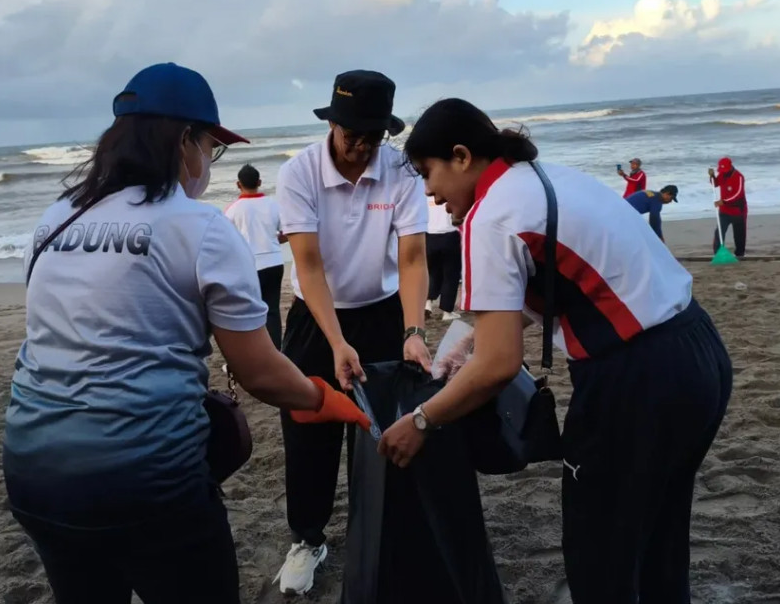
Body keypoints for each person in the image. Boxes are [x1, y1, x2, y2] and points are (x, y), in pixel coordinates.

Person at [1, 62, 371, 604]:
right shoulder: (201, 227)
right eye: (210, 148)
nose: (208, 164)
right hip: (146, 478)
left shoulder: (55, 217)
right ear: (183, 142)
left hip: (33, 472)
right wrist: (323, 399)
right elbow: (260, 372)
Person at [379, 98, 733, 604]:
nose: (429, 193)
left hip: (634, 379)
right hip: (699, 353)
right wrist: (465, 341)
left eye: (427, 173)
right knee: (659, 538)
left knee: (598, 553)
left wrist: (420, 421)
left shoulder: (491, 215)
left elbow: (499, 365)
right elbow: (570, 281)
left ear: (461, 156)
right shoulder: (545, 177)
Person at [272, 69, 430, 596]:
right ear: (332, 125)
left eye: (373, 137)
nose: (361, 148)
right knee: (308, 433)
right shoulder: (298, 173)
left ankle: (381, 532)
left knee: (381, 430)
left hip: (383, 315)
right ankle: (308, 538)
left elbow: (412, 257)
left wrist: (414, 330)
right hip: (316, 320)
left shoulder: (400, 170)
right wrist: (338, 342)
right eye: (352, 135)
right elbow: (309, 264)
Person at [224, 163, 287, 349]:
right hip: (274, 261)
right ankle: (276, 350)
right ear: (259, 182)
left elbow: (227, 241)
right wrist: (273, 241)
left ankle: (257, 350)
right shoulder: (273, 204)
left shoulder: (233, 209)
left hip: (250, 265)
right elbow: (288, 232)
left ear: (238, 184)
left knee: (251, 311)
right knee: (272, 310)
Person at [425, 193, 462, 321]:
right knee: (450, 275)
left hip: (430, 236)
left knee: (432, 272)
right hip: (449, 235)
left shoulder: (425, 197)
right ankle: (447, 311)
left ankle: (427, 304)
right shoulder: (450, 194)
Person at [709, 157, 747, 257]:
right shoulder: (722, 174)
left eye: (725, 170)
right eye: (721, 170)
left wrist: (724, 201)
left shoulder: (739, 177)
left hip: (738, 210)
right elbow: (715, 184)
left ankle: (739, 254)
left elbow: (737, 194)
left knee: (739, 235)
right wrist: (712, 176)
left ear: (730, 167)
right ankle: (717, 254)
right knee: (719, 232)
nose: (723, 172)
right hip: (724, 211)